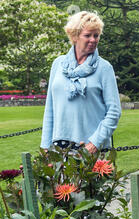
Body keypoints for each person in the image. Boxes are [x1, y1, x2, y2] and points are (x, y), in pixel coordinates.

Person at [40, 11, 121, 153]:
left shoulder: (104, 68)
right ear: (75, 36)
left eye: (96, 35)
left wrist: (95, 143)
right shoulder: (58, 65)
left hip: (92, 149)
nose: (93, 40)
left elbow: (114, 111)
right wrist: (45, 148)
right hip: (59, 151)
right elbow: (50, 109)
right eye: (88, 35)